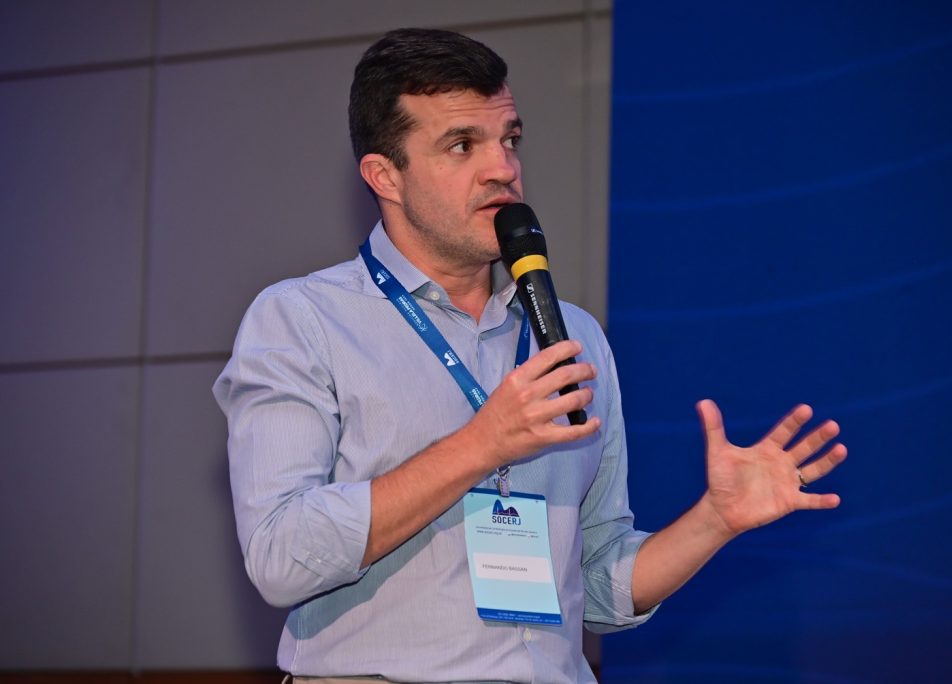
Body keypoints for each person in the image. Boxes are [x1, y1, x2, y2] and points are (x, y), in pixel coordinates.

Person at [213, 27, 846, 684]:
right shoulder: (303, 320)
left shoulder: (573, 336)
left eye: (509, 139)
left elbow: (596, 588)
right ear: (385, 175)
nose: (503, 168)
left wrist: (713, 521)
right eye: (462, 145)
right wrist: (480, 445)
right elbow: (280, 557)